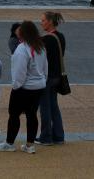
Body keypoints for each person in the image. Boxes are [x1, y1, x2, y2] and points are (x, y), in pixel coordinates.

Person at [0, 20, 48, 154]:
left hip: (24, 87)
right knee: (32, 115)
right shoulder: (40, 46)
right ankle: (30, 145)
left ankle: (9, 143)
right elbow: (45, 67)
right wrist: (42, 80)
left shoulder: (22, 49)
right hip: (39, 86)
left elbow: (19, 72)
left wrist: (16, 86)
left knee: (14, 114)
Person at [37, 12, 67, 145]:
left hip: (47, 77)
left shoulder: (46, 39)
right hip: (57, 76)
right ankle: (59, 135)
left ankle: (46, 136)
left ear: (50, 22)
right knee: (54, 105)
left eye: (43, 20)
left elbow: (40, 59)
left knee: (45, 107)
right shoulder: (61, 37)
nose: (41, 22)